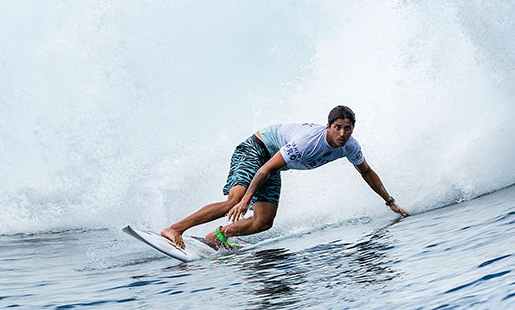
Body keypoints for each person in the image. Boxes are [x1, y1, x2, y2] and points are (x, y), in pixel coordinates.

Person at [160, 105, 408, 250]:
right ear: (329, 126)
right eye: (338, 127)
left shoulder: (350, 147)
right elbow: (264, 169)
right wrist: (246, 199)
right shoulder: (307, 142)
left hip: (270, 165)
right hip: (256, 149)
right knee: (233, 202)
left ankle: (218, 237)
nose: (342, 133)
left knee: (263, 222)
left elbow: (366, 171)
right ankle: (174, 229)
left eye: (347, 128)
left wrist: (389, 201)